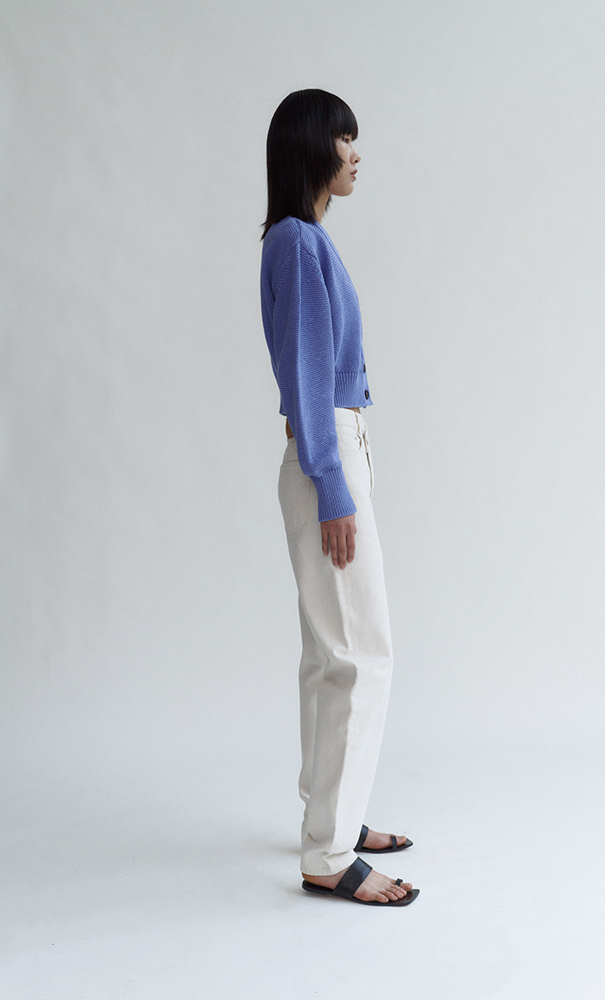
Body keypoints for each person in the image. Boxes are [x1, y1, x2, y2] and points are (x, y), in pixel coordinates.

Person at [260, 89, 419, 907]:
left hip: (330, 455)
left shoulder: (300, 240)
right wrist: (332, 484)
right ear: (312, 149)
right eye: (345, 139)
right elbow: (308, 377)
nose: (356, 154)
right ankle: (328, 851)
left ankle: (334, 819)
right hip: (328, 457)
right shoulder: (297, 242)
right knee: (361, 654)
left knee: (331, 655)